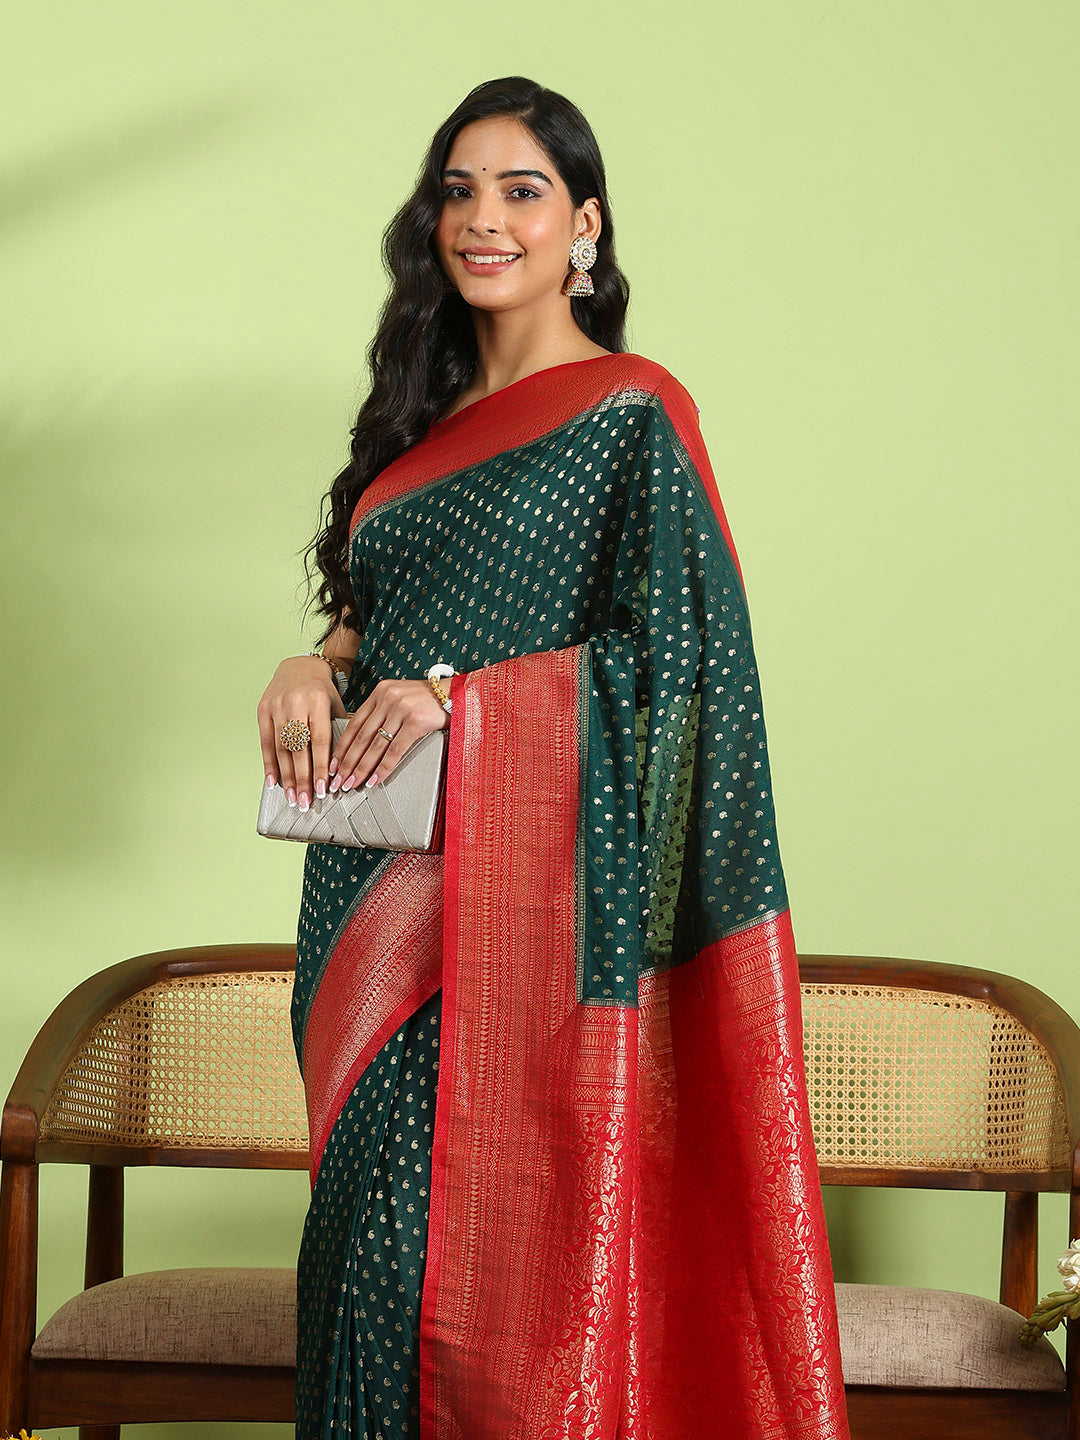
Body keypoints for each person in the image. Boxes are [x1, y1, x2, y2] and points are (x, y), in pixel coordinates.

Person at [257, 74, 851, 1440]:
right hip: (374, 894)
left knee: (446, 1263)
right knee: (358, 1263)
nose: (485, 218)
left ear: (584, 223)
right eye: (459, 191)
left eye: (522, 191)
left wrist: (465, 702)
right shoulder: (415, 429)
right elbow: (369, 632)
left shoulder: (633, 411)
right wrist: (314, 662)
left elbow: (682, 669)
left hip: (530, 916)